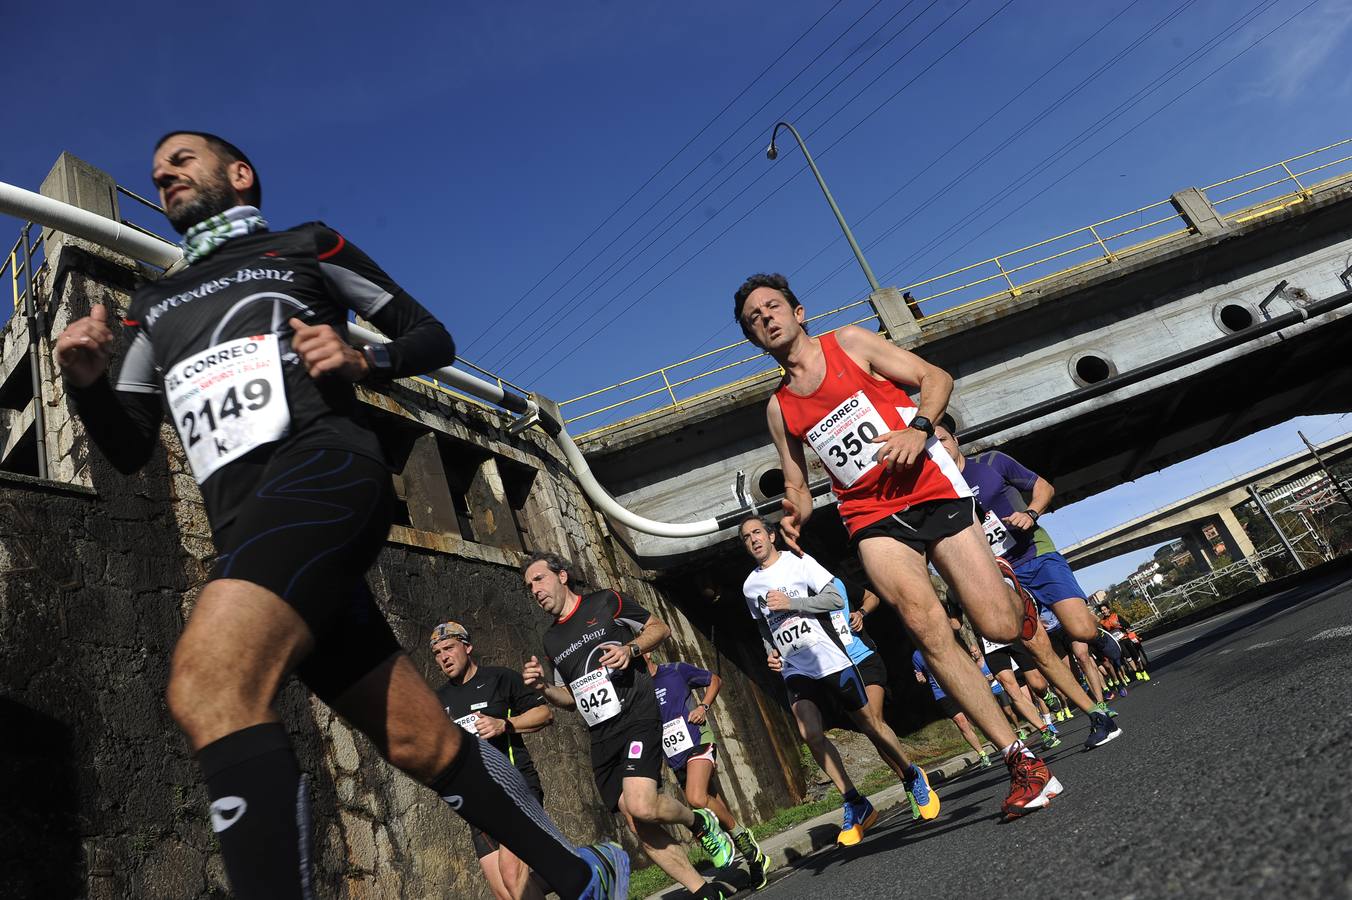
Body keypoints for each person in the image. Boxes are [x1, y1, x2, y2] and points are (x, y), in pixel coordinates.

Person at [54, 131, 627, 899]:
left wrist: (365, 360)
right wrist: (88, 381)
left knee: (208, 683)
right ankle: (581, 874)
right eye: (157, 173)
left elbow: (430, 335)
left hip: (325, 474)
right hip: (252, 535)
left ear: (240, 174)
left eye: (182, 159)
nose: (163, 174)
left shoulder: (305, 247)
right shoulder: (155, 306)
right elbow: (126, 449)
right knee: (422, 742)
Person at [735, 272, 1060, 818]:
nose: (764, 318)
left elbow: (935, 376)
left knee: (998, 626)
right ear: (753, 339)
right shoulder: (780, 408)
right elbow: (796, 480)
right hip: (870, 516)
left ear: (799, 312)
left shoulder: (850, 343)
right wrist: (794, 511)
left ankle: (1016, 606)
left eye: (772, 307)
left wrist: (919, 426)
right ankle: (1019, 758)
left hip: (930, 490)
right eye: (753, 319)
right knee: (928, 628)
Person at [521, 552, 734, 900]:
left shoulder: (606, 601)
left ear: (561, 576)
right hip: (601, 736)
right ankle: (702, 891)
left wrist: (630, 649)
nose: (535, 590)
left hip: (637, 716)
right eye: (529, 586)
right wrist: (543, 688)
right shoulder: (551, 640)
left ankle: (699, 822)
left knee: (642, 804)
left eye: (539, 579)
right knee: (638, 823)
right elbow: (571, 698)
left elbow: (659, 628)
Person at [739, 516, 939, 845]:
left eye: (757, 532)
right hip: (795, 666)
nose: (753, 540)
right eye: (746, 537)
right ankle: (855, 801)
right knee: (810, 733)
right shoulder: (750, 586)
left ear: (771, 535)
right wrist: (770, 651)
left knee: (870, 723)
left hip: (828, 658)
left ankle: (910, 772)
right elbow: (763, 625)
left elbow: (834, 599)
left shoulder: (799, 563)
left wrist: (793, 603)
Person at [933, 418, 1123, 747]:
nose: (941, 449)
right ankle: (1097, 715)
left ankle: (1100, 636)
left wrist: (1031, 513)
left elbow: (1044, 487)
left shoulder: (992, 463)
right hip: (1002, 575)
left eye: (943, 440)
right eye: (931, 446)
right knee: (1038, 649)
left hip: (1035, 554)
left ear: (956, 439)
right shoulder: (938, 492)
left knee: (1081, 631)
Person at [433, 621, 556, 900]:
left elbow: (544, 714)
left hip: (515, 787)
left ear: (467, 646)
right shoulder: (438, 701)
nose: (444, 657)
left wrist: (504, 725)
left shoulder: (500, 679)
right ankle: (578, 871)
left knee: (512, 873)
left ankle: (578, 870)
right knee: (504, 891)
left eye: (449, 648)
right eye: (438, 653)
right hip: (477, 801)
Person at [645, 653, 772, 890]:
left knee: (695, 798)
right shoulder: (638, 689)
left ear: (647, 652)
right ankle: (755, 857)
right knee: (713, 805)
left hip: (698, 739)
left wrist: (703, 706)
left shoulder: (674, 670)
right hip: (674, 754)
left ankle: (744, 840)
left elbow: (715, 680)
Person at [912, 648, 993, 767]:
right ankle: (982, 754)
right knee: (961, 722)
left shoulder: (939, 642)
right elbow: (922, 678)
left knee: (974, 719)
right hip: (941, 693)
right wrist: (921, 680)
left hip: (959, 687)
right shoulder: (917, 655)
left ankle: (996, 739)